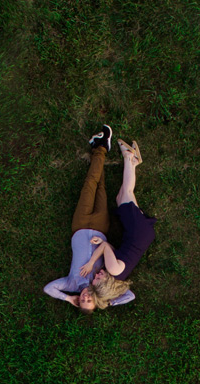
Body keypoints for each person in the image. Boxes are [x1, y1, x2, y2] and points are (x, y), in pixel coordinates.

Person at [43, 125, 135, 313]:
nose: (85, 297)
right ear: (95, 300)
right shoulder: (101, 284)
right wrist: (109, 302)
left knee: (89, 186)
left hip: (81, 224)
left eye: (82, 301)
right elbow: (130, 296)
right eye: (89, 301)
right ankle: (98, 148)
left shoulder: (71, 283)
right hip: (101, 227)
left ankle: (101, 147)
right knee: (101, 188)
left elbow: (48, 288)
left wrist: (68, 298)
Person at [86, 138, 157, 293]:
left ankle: (133, 162)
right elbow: (105, 247)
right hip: (137, 234)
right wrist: (91, 262)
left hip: (141, 237)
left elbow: (115, 252)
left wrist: (103, 242)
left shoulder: (118, 274)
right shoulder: (112, 270)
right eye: (98, 279)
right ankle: (128, 157)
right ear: (105, 283)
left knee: (121, 197)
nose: (96, 275)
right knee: (126, 194)